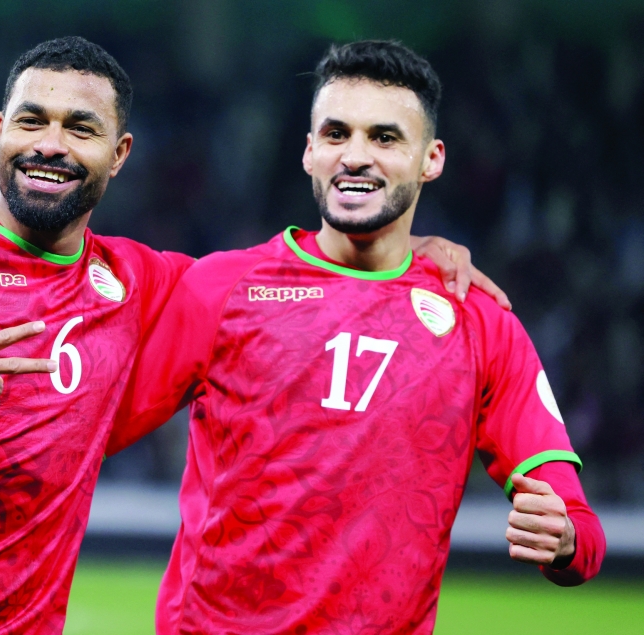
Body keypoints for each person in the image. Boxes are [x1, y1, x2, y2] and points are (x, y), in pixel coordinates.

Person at [0, 37, 504, 634]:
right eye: (32, 120)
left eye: (81, 127)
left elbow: (289, 276)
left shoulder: (140, 280)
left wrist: (415, 257)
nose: (51, 144)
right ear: (0, 131)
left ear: (119, 154)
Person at [101, 41, 605, 633]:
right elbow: (87, 434)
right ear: (310, 151)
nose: (356, 156)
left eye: (385, 138)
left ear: (431, 158)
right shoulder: (222, 287)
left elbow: (580, 532)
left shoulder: (481, 323)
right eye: (336, 134)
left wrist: (563, 536)